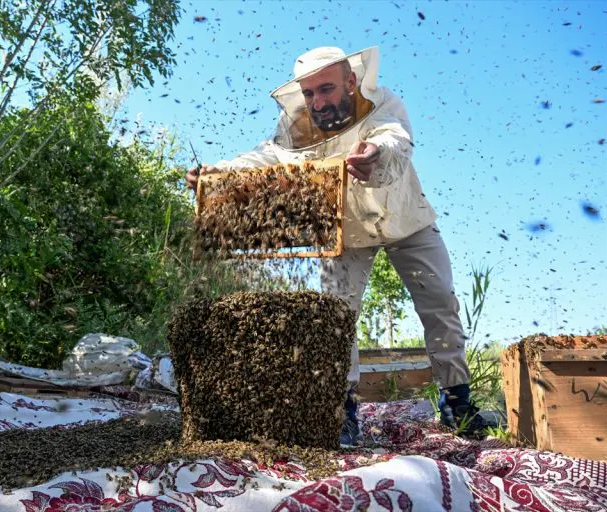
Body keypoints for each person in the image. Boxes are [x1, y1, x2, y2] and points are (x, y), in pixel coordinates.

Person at [185, 46, 491, 445]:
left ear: (350, 81)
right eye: (309, 93)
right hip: (346, 231)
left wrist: (375, 154)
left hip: (406, 219)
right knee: (335, 314)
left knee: (440, 302)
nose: (317, 101)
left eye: (325, 90)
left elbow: (395, 140)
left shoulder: (383, 104)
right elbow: (264, 159)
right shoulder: (295, 126)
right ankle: (342, 409)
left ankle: (457, 403)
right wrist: (217, 174)